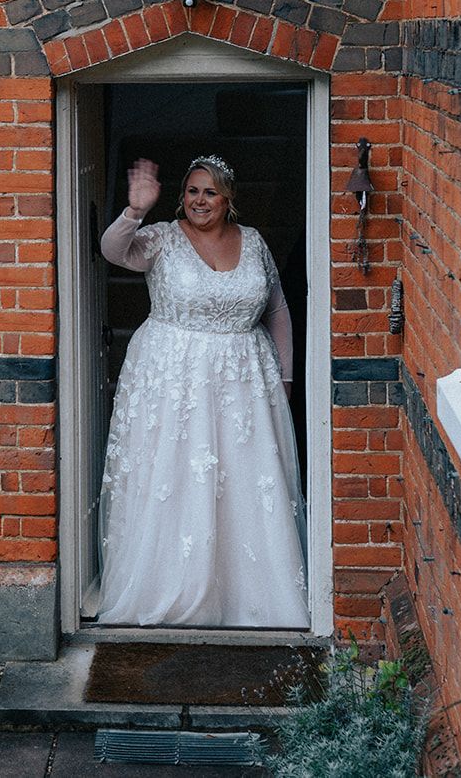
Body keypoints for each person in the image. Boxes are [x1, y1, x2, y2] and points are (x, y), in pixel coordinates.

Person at [93, 155, 308, 628]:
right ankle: (171, 587)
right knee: (176, 478)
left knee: (242, 483)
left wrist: (286, 376)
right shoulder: (163, 239)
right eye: (192, 191)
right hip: (172, 381)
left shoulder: (252, 241)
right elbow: (113, 251)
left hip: (243, 384)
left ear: (228, 198)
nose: (199, 200)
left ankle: (248, 597)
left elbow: (276, 310)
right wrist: (134, 211)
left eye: (209, 192)